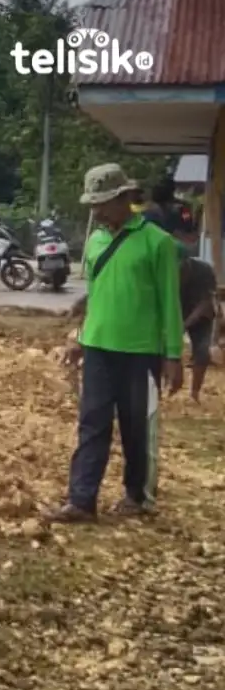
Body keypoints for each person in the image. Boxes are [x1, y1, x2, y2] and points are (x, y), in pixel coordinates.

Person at [50, 163, 183, 523]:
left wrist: (173, 355)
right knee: (92, 423)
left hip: (140, 352)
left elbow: (170, 303)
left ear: (125, 198)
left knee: (135, 427)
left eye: (103, 203)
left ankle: (136, 495)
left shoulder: (158, 243)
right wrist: (79, 338)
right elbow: (95, 294)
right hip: (97, 348)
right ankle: (81, 500)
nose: (96, 211)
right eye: (93, 204)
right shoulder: (95, 242)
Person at [178, 248, 217, 402]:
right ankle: (159, 390)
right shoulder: (164, 272)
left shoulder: (204, 270)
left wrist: (185, 324)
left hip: (200, 315)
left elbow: (206, 302)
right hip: (174, 311)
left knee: (202, 351)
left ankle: (194, 393)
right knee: (158, 351)